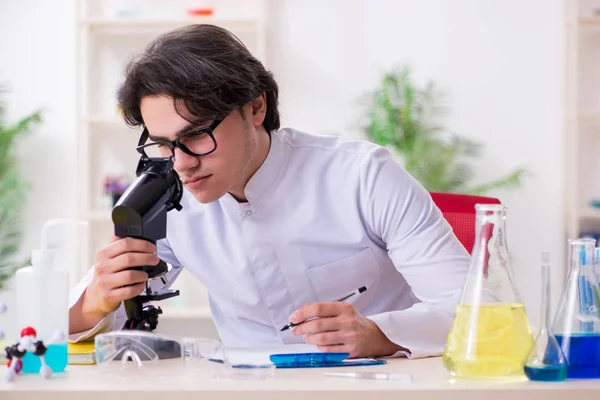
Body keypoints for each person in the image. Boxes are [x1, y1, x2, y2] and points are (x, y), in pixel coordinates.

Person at [68, 24, 471, 359]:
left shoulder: (363, 177)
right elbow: (69, 325)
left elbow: (478, 313)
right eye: (163, 143)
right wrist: (96, 301)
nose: (181, 162)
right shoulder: (166, 198)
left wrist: (379, 334)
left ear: (256, 108)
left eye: (196, 135)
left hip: (377, 384)